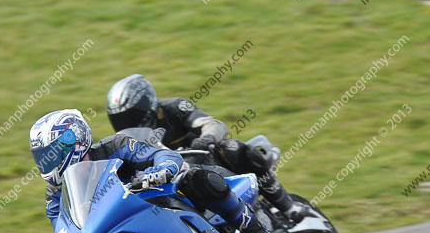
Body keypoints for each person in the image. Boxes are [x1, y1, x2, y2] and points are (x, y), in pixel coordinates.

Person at [29, 109, 281, 233]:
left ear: (75, 139)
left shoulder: (114, 146)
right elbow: (61, 224)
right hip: (117, 226)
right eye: (42, 156)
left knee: (199, 179)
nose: (48, 161)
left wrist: (161, 170)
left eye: (52, 152)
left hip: (158, 198)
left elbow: (163, 156)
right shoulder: (55, 190)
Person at [106, 74, 308, 222]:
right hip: (177, 184)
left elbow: (213, 124)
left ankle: (288, 207)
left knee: (231, 146)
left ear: (146, 105)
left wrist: (207, 138)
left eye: (131, 116)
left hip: (209, 164)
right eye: (121, 118)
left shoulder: (175, 107)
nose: (127, 123)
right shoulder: (126, 141)